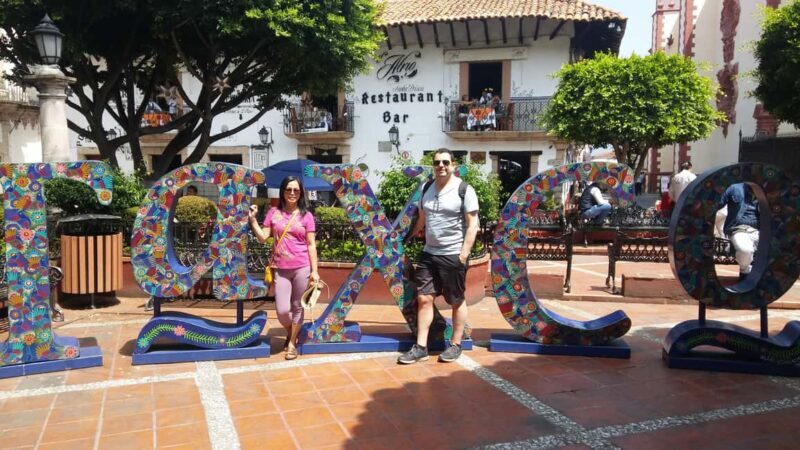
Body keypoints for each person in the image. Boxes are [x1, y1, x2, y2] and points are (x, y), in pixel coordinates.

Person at [398, 149, 479, 364]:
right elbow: (422, 220)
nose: (441, 165)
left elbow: (473, 225)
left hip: (453, 254)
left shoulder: (464, 190)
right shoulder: (426, 188)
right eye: (437, 162)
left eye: (445, 162)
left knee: (456, 300)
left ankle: (455, 344)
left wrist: (463, 255)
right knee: (424, 298)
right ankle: (421, 347)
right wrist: (406, 238)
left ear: (453, 164)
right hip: (429, 253)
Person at [248, 176, 319, 360]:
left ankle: (292, 342)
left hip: (302, 267)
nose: (292, 193)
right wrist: (253, 220)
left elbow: (311, 244)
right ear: (283, 191)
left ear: (301, 192)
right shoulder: (273, 212)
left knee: (297, 306)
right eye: (288, 189)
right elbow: (264, 237)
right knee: (281, 310)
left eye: (296, 190)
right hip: (280, 268)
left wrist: (315, 271)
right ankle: (292, 330)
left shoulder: (306, 216)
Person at [720, 183, 759, 280]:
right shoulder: (734, 188)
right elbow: (718, 203)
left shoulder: (768, 191)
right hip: (739, 229)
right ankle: (744, 272)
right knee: (745, 250)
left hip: (762, 230)